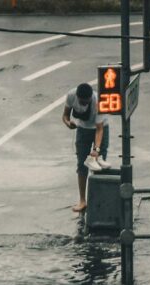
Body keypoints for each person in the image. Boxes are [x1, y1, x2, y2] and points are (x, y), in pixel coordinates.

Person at [62, 82, 111, 213]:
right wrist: (68, 123)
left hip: (101, 128)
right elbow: (65, 116)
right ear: (77, 97)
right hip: (82, 129)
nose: (84, 105)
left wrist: (96, 150)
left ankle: (98, 200)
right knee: (81, 164)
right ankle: (82, 200)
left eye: (86, 103)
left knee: (98, 164)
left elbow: (99, 129)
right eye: (82, 102)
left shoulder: (98, 102)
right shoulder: (71, 96)